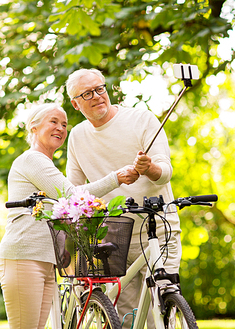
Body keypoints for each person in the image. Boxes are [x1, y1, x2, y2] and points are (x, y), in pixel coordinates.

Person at [0, 103, 139, 329]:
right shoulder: (32, 160)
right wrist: (116, 178)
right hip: (23, 257)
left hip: (44, 260)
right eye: (53, 122)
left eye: (64, 124)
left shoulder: (46, 165)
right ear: (33, 127)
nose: (61, 128)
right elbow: (72, 195)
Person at [65, 69, 181, 329]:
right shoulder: (77, 137)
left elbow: (164, 173)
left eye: (100, 89)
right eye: (87, 93)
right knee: (128, 316)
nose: (97, 96)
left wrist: (148, 168)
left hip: (158, 229)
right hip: (115, 236)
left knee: (162, 304)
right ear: (76, 103)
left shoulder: (141, 119)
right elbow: (74, 191)